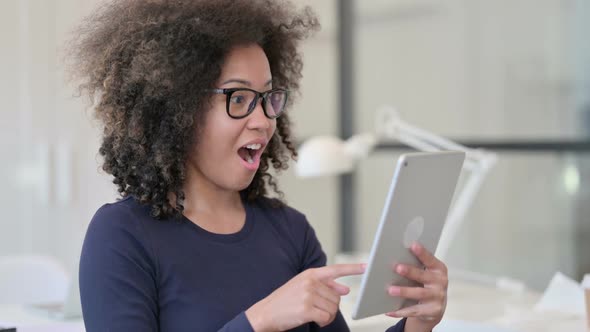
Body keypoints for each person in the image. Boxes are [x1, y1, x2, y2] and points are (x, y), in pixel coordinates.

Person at [69, 0, 449, 331]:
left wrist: (417, 322)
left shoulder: (291, 231)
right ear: (177, 108)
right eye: (238, 97)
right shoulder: (122, 237)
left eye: (268, 98)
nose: (264, 120)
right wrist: (260, 320)